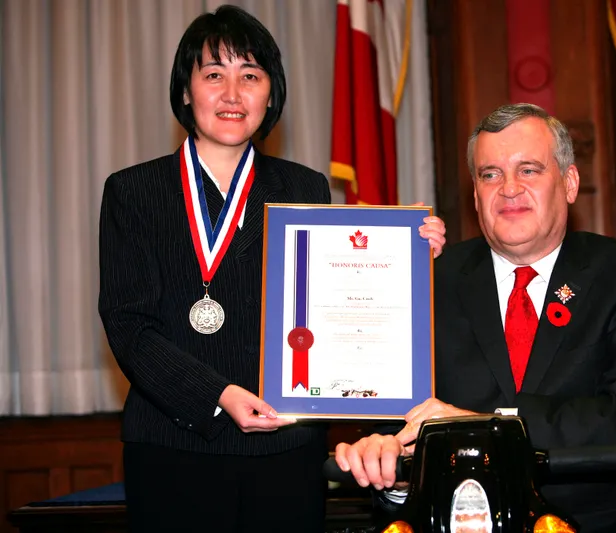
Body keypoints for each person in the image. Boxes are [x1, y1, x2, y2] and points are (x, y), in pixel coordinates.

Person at [98, 5, 445, 532]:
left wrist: (407, 254)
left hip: (287, 448)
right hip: (173, 444)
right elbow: (128, 326)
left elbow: (333, 298)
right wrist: (218, 395)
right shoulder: (133, 192)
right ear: (186, 90)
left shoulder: (304, 189)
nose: (232, 94)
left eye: (251, 76)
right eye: (214, 74)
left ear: (270, 93)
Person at [335, 103, 616, 533]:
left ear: (569, 183)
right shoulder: (426, 282)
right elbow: (391, 432)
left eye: (529, 170)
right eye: (490, 174)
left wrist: (481, 424)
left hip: (595, 524)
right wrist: (386, 468)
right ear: (475, 194)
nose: (509, 189)